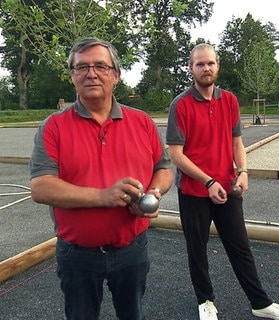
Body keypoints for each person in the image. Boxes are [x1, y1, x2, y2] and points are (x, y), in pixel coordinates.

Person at [29, 37, 173, 320]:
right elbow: (41, 187)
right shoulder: (54, 126)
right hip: (77, 254)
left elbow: (164, 167)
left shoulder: (142, 122)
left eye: (100, 66)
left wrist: (153, 194)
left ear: (116, 75)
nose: (91, 73)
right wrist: (103, 196)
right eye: (81, 67)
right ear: (72, 76)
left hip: (133, 248)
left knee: (133, 315)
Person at [166, 43, 279, 320]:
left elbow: (236, 142)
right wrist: (207, 181)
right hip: (194, 192)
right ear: (191, 68)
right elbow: (176, 154)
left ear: (218, 65)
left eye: (210, 63)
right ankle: (205, 301)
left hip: (227, 187)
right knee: (197, 249)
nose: (206, 68)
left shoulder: (230, 101)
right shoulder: (181, 104)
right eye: (200, 64)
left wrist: (244, 171)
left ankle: (260, 302)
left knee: (240, 247)